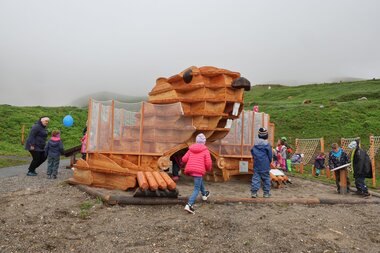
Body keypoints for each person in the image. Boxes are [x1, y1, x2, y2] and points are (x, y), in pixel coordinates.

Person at [182, 133, 212, 214]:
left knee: (199, 180)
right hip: (199, 171)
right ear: (204, 142)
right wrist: (208, 169)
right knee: (196, 189)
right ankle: (189, 205)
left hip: (191, 169)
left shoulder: (190, 149)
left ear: (196, 141)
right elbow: (208, 163)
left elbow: (184, 159)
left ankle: (204, 194)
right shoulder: (205, 151)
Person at [251, 128, 273, 198]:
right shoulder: (267, 145)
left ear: (258, 135)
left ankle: (254, 193)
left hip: (257, 164)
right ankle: (266, 193)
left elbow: (252, 152)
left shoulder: (255, 145)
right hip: (265, 165)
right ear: (266, 136)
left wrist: (255, 159)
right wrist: (269, 161)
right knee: (266, 178)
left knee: (256, 178)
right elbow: (270, 155)